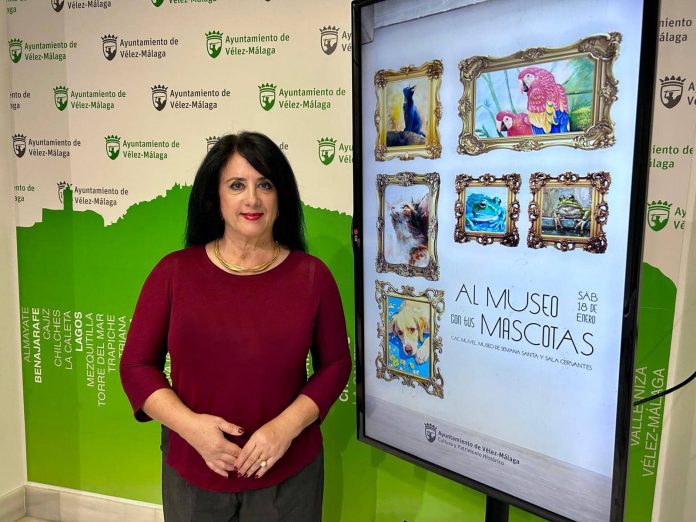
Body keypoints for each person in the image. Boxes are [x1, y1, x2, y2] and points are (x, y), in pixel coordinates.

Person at [120, 132, 352, 521]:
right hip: (195, 469)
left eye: (265, 185)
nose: (252, 199)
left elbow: (336, 366)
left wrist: (283, 429)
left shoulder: (312, 276)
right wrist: (191, 428)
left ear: (281, 197)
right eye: (237, 185)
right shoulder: (174, 273)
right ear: (216, 197)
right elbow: (136, 367)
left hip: (288, 474)